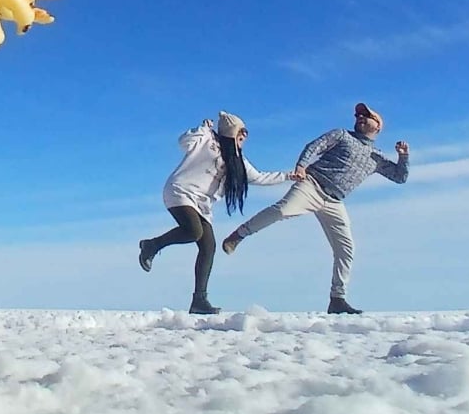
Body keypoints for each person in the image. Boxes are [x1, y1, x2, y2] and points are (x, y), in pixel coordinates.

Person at [221, 102, 409, 314]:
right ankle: (238, 235)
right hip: (312, 184)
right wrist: (301, 165)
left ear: (377, 126)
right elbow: (315, 145)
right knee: (283, 210)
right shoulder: (342, 135)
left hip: (334, 201)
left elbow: (399, 177)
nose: (360, 118)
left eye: (366, 116)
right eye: (358, 115)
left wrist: (403, 156)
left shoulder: (378, 157)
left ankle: (337, 300)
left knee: (346, 249)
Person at [138, 111, 295, 315]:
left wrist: (289, 176)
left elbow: (260, 177)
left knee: (208, 246)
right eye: (242, 131)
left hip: (202, 204)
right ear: (231, 132)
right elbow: (183, 141)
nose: (245, 136)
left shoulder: (237, 161)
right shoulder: (208, 139)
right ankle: (151, 245)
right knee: (194, 231)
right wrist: (202, 129)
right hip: (181, 191)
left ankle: (199, 301)